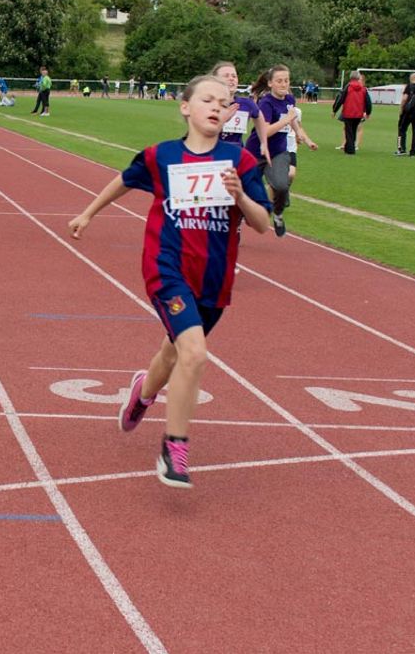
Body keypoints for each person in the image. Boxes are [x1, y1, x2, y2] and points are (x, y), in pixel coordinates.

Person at [68, 74, 271, 488]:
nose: (216, 107)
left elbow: (263, 223)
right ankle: (174, 449)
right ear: (186, 108)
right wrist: (88, 213)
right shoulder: (161, 156)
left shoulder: (240, 163)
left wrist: (240, 197)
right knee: (194, 353)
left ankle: (143, 392)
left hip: (213, 279)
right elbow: (123, 181)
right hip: (167, 269)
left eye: (224, 102)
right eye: (207, 100)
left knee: (173, 354)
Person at [245, 65, 299, 237]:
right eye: (279, 81)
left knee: (282, 185)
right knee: (245, 189)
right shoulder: (266, 103)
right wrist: (287, 120)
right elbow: (265, 131)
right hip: (256, 151)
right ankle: (237, 224)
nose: (284, 84)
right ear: (270, 83)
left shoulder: (290, 99)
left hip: (278, 152)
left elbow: (292, 119)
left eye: (286, 80)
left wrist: (300, 134)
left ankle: (278, 214)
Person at [211, 61, 268, 162]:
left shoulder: (246, 104)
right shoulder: (208, 104)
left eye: (234, 76)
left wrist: (263, 142)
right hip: (212, 156)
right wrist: (222, 119)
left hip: (237, 156)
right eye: (226, 76)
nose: (231, 78)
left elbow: (259, 116)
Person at [332, 70, 372, 156]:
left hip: (348, 113)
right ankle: (349, 147)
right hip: (358, 114)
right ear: (358, 78)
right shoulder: (363, 89)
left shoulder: (348, 87)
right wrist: (368, 112)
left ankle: (350, 150)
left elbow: (341, 99)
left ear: (350, 77)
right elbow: (368, 102)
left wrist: (335, 110)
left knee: (349, 131)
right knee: (353, 131)